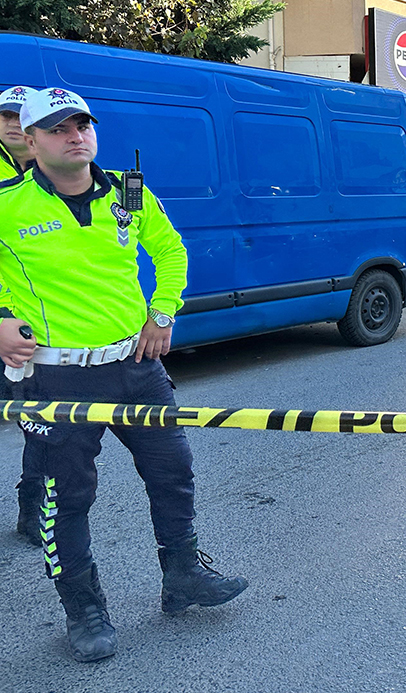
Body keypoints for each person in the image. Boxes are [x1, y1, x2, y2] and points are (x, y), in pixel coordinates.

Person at [0, 88, 248, 662]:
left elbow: (172, 252)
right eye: (58, 128)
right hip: (56, 376)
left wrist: (162, 314)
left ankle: (184, 575)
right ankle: (84, 611)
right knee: (67, 498)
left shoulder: (127, 190)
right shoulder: (7, 204)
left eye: (82, 124)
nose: (75, 135)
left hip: (137, 366)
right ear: (30, 140)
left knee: (174, 472)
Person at [0, 85, 43, 546]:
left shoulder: (51, 171)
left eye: (20, 114)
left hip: (33, 327)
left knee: (37, 419)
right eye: (4, 114)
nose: (12, 121)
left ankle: (33, 506)